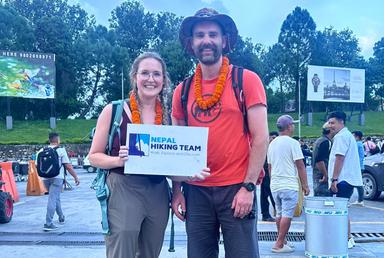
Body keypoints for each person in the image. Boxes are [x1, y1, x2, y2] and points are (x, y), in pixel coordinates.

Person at [171, 8, 268, 258]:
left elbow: (260, 138)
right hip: (196, 191)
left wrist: (248, 187)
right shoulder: (181, 91)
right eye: (200, 35)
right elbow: (177, 147)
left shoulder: (246, 80)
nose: (206, 40)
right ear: (191, 43)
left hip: (236, 189)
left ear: (224, 41)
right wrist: (178, 191)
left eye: (213, 34)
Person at [88, 52, 174, 258]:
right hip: (123, 186)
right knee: (122, 250)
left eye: (156, 74)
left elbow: (176, 161)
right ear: (135, 77)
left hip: (158, 190)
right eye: (145, 73)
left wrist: (187, 177)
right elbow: (93, 156)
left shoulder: (169, 117)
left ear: (164, 79)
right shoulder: (114, 110)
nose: (151, 79)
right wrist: (118, 160)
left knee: (150, 251)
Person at [267, 115, 310, 253]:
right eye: (293, 124)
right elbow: (300, 165)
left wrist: (273, 180)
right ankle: (279, 244)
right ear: (290, 126)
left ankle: (282, 240)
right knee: (287, 214)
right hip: (289, 184)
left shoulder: (272, 143)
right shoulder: (293, 143)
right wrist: (305, 185)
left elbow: (269, 166)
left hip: (275, 184)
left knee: (279, 213)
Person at [327, 111, 363, 249]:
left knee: (340, 210)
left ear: (341, 122)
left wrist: (334, 179)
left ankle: (346, 237)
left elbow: (339, 158)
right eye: (329, 123)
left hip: (342, 180)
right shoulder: (346, 135)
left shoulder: (341, 137)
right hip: (346, 179)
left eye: (333, 123)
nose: (330, 126)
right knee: (342, 210)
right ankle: (347, 237)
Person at [40, 132, 80, 231]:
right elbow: (68, 166)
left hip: (45, 178)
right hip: (57, 177)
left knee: (55, 197)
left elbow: (38, 166)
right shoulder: (61, 150)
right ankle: (48, 223)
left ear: (49, 140)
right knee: (52, 199)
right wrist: (76, 177)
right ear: (57, 140)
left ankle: (61, 216)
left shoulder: (41, 150)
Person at [261, 131, 278, 222]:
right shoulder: (266, 148)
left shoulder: (274, 148)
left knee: (269, 194)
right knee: (268, 195)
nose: (273, 139)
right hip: (266, 174)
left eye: (275, 138)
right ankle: (267, 214)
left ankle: (268, 214)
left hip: (271, 173)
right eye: (272, 137)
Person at [311, 122, 332, 196]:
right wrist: (326, 175)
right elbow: (320, 161)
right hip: (322, 176)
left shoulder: (319, 140)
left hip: (316, 174)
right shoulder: (326, 142)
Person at [350, 131, 365, 206]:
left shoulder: (357, 144)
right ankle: (360, 200)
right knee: (358, 183)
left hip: (357, 167)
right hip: (359, 166)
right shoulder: (359, 144)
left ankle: (348, 200)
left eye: (353, 136)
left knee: (352, 183)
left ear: (357, 137)